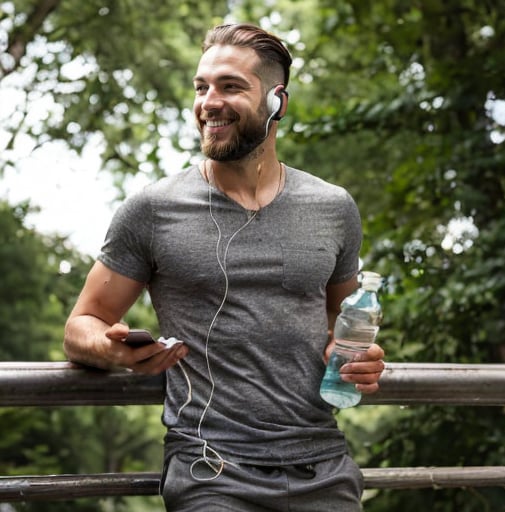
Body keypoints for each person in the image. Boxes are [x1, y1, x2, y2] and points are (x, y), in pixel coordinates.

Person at [64, 23, 385, 512]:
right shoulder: (152, 209)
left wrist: (362, 358)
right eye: (201, 87)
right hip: (210, 470)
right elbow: (80, 326)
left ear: (277, 100)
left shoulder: (334, 207)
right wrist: (116, 353)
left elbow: (342, 326)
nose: (208, 103)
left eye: (230, 86)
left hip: (322, 465)